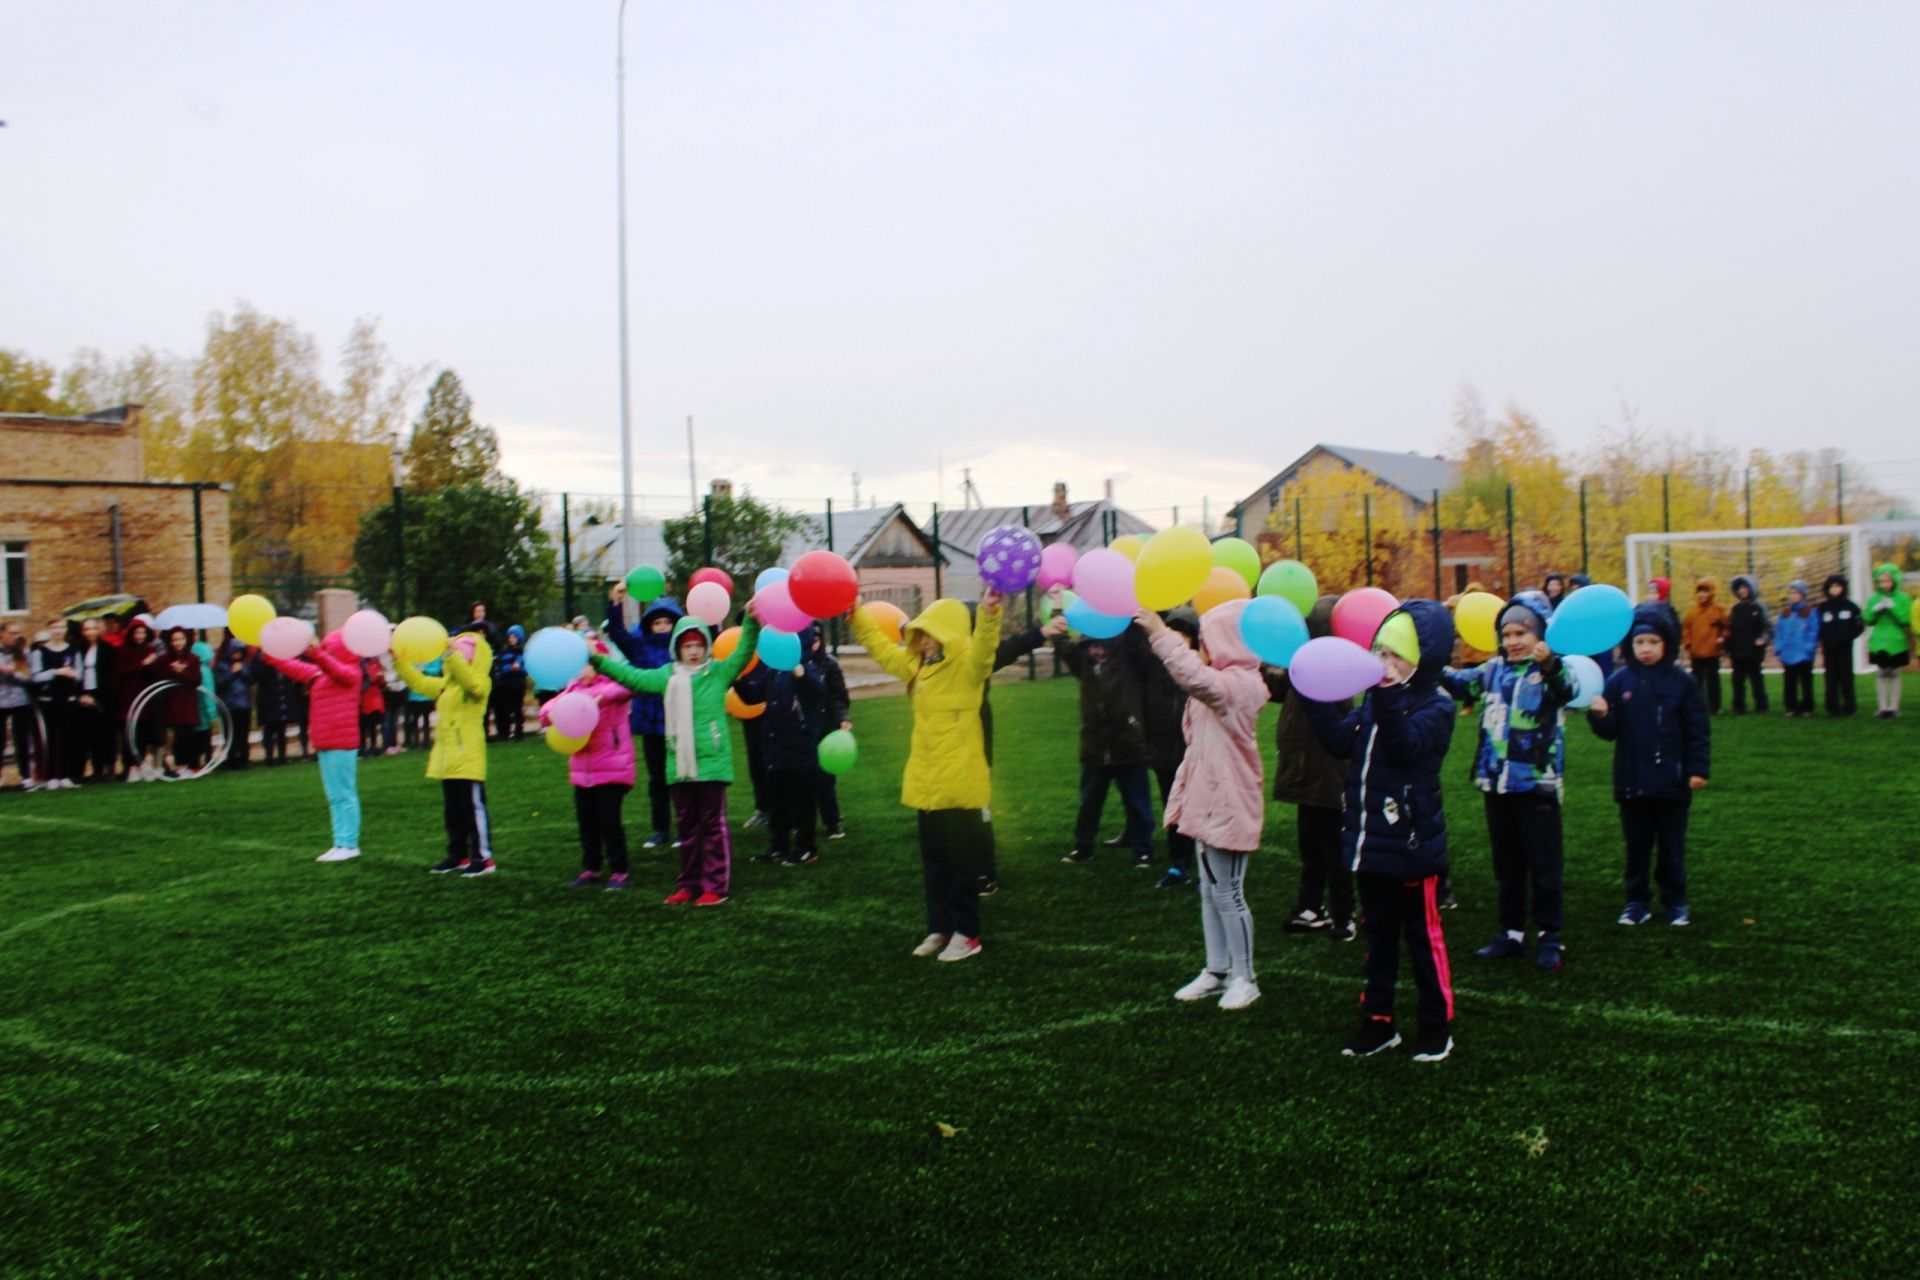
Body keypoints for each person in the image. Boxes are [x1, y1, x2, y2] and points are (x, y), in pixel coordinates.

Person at [1304, 600, 1459, 1063]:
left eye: (1397, 656)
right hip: (1370, 847)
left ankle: (1436, 1025)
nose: (1385, 665)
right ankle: (1378, 1021)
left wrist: (1386, 694)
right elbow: (1338, 741)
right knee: (1379, 938)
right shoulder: (1374, 702)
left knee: (1422, 939)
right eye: (1381, 654)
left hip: (1412, 848)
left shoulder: (1438, 706)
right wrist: (1313, 694)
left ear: (1425, 657)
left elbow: (1406, 745)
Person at [848, 591, 1002, 961]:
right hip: (927, 781)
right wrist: (856, 618)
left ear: (948, 633)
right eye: (919, 633)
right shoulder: (917, 667)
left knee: (963, 866)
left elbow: (984, 649)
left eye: (930, 633)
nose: (923, 640)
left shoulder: (968, 668)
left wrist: (990, 612)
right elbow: (882, 651)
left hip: (961, 783)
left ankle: (967, 934)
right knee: (934, 863)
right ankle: (940, 928)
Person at [1133, 598, 1269, 1010]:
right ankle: (1216, 970)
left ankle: (1245, 976)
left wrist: (1159, 631)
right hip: (1209, 801)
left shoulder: (1239, 686)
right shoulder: (1226, 681)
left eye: (1208, 639)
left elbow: (1193, 678)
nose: (1202, 647)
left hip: (1227, 803)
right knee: (1211, 892)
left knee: (1228, 892)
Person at [1440, 591, 1575, 971]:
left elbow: (1567, 689)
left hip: (1537, 786)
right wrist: (1430, 661)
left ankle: (1550, 935)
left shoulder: (1552, 672)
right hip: (1496, 784)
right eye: (1506, 634)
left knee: (1544, 865)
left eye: (1521, 633)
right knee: (1508, 865)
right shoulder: (1492, 671)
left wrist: (1550, 666)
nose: (1513, 642)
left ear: (1540, 635)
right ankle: (1511, 932)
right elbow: (1460, 684)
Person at [590, 610, 762, 905]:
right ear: (677, 649)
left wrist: (751, 621)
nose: (694, 652)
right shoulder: (667, 676)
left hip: (712, 763)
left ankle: (715, 886)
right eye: (687, 646)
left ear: (706, 646)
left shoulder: (719, 672)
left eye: (698, 645)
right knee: (686, 827)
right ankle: (690, 883)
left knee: (712, 825)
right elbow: (632, 677)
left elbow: (744, 652)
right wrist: (598, 660)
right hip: (679, 765)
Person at [1585, 603, 1710, 927]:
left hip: (1672, 783)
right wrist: (1600, 715)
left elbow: (1697, 730)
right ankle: (1636, 901)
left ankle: (1675, 901)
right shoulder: (1619, 682)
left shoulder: (1683, 683)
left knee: (1671, 848)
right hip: (1632, 782)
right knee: (1637, 847)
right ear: (1630, 645)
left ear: (1666, 643)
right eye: (1640, 643)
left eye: (1653, 642)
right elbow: (1609, 732)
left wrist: (1697, 769)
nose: (1646, 649)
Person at [1266, 597, 1351, 938]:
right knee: (1311, 846)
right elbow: (1280, 690)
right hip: (1306, 769)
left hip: (1327, 773)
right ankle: (1310, 906)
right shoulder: (1302, 664)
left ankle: (1345, 915)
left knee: (1331, 848)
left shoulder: (1330, 667)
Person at [1054, 617, 1158, 870]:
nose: (1098, 651)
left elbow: (1135, 644)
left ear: (1113, 645)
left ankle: (1143, 850)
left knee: (1137, 803)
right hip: (1095, 748)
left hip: (1130, 746)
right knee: (1088, 803)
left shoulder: (1130, 664)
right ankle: (1083, 846)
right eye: (1092, 646)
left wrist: (1132, 617)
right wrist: (1057, 608)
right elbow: (1062, 643)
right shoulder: (1084, 665)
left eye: (1103, 646)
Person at [397, 627, 497, 877]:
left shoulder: (479, 682)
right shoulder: (447, 686)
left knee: (473, 807)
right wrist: (399, 661)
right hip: (448, 757)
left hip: (468, 755)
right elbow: (419, 682)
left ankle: (484, 858)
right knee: (453, 808)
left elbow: (473, 685)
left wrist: (453, 656)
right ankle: (458, 854)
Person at [262, 629, 367, 862]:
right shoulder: (320, 674)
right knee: (334, 795)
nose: (326, 651)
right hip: (326, 741)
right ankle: (340, 841)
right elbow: (291, 666)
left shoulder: (351, 672)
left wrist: (317, 653)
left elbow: (333, 667)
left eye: (331, 648)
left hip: (341, 742)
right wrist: (269, 654)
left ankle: (350, 843)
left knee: (344, 794)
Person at [735, 622, 829, 866]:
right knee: (778, 804)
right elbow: (753, 696)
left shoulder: (809, 668)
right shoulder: (774, 671)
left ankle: (806, 847)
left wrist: (801, 674)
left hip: (800, 750)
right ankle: (778, 846)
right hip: (775, 750)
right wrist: (738, 680)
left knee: (802, 803)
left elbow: (819, 692)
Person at [541, 661, 636, 890]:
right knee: (587, 823)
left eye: (586, 665)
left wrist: (598, 697)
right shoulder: (571, 691)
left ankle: (619, 870)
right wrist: (558, 714)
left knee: (610, 822)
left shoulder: (612, 686)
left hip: (612, 768)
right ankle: (591, 868)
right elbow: (546, 711)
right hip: (582, 770)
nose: (580, 670)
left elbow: (627, 687)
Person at [602, 583, 683, 849]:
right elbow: (617, 634)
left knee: (682, 778)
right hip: (651, 723)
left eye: (667, 623)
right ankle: (660, 829)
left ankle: (685, 829)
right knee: (657, 779)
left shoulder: (683, 649)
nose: (662, 627)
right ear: (650, 625)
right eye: (657, 623)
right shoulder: (640, 647)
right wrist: (615, 604)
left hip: (680, 722)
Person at [1144, 607, 1201, 888]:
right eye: (1172, 632)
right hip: (1164, 751)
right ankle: (1179, 864)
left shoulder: (1202, 670)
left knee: (1202, 808)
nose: (1178, 638)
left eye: (1184, 634)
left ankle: (1207, 864)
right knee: (1174, 808)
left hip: (1196, 752)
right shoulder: (1154, 664)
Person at [809, 624, 853, 841]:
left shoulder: (830, 666)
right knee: (801, 780)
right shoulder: (794, 663)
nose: (813, 644)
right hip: (802, 730)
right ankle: (802, 822)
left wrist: (843, 718)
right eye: (810, 639)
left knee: (824, 779)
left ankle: (833, 821)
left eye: (817, 639)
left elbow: (838, 696)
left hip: (826, 730)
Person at [29, 619, 85, 788]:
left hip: (68, 699)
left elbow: (80, 674)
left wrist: (73, 674)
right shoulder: (41, 651)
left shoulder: (73, 650)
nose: (58, 630)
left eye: (61, 627)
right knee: (51, 738)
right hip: (48, 700)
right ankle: (51, 776)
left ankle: (66, 775)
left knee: (68, 737)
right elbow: (36, 676)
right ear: (49, 629)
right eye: (54, 627)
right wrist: (56, 672)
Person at [112, 619, 164, 780]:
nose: (140, 636)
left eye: (143, 633)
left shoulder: (149, 650)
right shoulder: (122, 650)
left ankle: (141, 764)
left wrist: (152, 663)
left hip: (145, 700)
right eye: (137, 633)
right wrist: (142, 664)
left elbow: (156, 674)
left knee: (142, 733)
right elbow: (121, 672)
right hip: (128, 698)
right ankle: (131, 766)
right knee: (129, 733)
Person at [70, 618, 117, 780]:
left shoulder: (107, 649)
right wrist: (81, 695)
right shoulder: (78, 649)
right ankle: (95, 769)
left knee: (106, 734)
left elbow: (111, 676)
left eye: (93, 629)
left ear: (98, 631)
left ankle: (109, 767)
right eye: (86, 630)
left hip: (103, 696)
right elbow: (75, 674)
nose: (90, 633)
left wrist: (98, 700)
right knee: (87, 734)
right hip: (84, 694)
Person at [1864, 564, 1912, 719]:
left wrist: (1893, 608)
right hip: (1878, 642)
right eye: (1881, 581)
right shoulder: (1874, 598)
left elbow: (1905, 620)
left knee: (1895, 673)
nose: (1884, 585)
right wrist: (1875, 610)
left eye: (1887, 581)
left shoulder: (1903, 598)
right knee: (1881, 673)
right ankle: (1883, 707)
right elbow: (1868, 620)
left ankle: (1894, 707)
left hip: (1896, 642)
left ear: (1894, 580)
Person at [156, 627, 204, 775]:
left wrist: (182, 671)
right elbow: (160, 678)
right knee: (178, 735)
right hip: (172, 703)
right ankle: (180, 765)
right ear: (170, 642)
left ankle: (191, 765)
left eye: (180, 639)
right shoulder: (164, 659)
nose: (177, 643)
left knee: (189, 734)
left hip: (188, 702)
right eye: (174, 640)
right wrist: (172, 670)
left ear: (186, 640)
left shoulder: (193, 658)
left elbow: (196, 681)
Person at [1817, 574, 1863, 717]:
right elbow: (1816, 627)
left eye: (1838, 586)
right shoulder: (1822, 608)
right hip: (1829, 650)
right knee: (1830, 678)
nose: (1835, 589)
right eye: (1832, 587)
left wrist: (1847, 638)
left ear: (1843, 588)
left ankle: (1849, 707)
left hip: (1845, 649)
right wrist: (1823, 639)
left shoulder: (1851, 607)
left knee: (1846, 677)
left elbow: (1859, 626)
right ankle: (1832, 707)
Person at [1726, 574, 1771, 715]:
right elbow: (1731, 629)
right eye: (1740, 588)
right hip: (1738, 650)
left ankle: (1761, 706)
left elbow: (1767, 627)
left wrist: (1763, 639)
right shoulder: (1736, 608)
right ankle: (1738, 706)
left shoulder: (1759, 607)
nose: (1742, 591)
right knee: (1737, 680)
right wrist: (1728, 646)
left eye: (1745, 587)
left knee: (1756, 679)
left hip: (1753, 651)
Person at [1681, 579, 1728, 713]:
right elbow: (1686, 630)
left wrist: (1721, 638)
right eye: (1699, 592)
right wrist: (1688, 643)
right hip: (1696, 653)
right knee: (1696, 682)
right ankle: (1697, 705)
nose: (1702, 595)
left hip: (1712, 652)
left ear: (1711, 593)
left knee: (1713, 681)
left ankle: (1715, 706)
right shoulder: (1692, 612)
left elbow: (1727, 627)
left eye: (1705, 592)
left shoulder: (1718, 611)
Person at [1773, 581, 1819, 717]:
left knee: (1805, 681)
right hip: (1788, 653)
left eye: (1796, 592)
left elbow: (1813, 631)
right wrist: (1779, 648)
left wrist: (1809, 647)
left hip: (1804, 654)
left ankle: (1807, 707)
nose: (1793, 596)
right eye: (1791, 592)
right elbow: (1779, 631)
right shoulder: (1785, 612)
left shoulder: (1810, 611)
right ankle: (1791, 707)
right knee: (1789, 681)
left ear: (1803, 595)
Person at [0, 622, 37, 788]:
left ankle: (26, 776)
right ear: (2, 634)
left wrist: (14, 671)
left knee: (22, 739)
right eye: (11, 633)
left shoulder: (23, 652)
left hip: (20, 700)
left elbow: (30, 677)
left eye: (17, 633)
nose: (15, 636)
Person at [214, 631, 257, 769]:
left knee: (243, 733)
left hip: (244, 705)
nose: (237, 655)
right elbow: (220, 683)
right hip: (229, 705)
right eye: (235, 652)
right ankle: (231, 758)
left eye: (240, 652)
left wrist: (242, 671)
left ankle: (244, 757)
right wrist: (232, 673)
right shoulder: (222, 666)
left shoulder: (244, 665)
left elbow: (250, 680)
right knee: (230, 733)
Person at [489, 624, 529, 740]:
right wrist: (510, 668)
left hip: (518, 683)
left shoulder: (524, 652)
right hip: (507, 683)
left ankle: (519, 732)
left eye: (514, 637)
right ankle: (506, 732)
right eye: (510, 636)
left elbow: (528, 669)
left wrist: (520, 668)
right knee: (506, 708)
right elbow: (500, 667)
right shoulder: (504, 652)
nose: (511, 639)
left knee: (518, 708)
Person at [357, 654, 386, 757]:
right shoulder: (359, 663)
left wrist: (381, 678)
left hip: (374, 698)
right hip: (363, 698)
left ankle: (373, 746)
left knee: (373, 725)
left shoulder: (375, 662)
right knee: (363, 725)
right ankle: (362, 747)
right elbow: (366, 678)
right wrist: (375, 677)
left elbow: (382, 679)